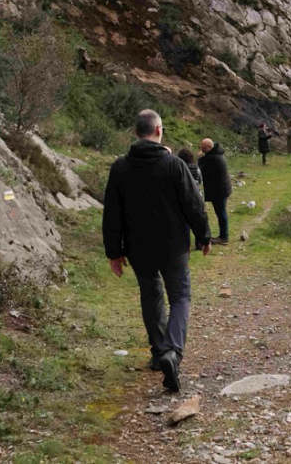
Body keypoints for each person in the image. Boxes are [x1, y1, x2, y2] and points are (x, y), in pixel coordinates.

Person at [103, 109, 210, 393]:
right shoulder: (174, 166)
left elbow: (112, 213)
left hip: (138, 248)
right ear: (159, 130)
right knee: (180, 297)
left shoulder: (120, 168)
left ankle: (158, 352)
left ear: (136, 133)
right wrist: (204, 236)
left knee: (151, 296)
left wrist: (114, 252)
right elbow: (194, 205)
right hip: (173, 246)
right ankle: (172, 352)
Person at [198, 137, 232, 245]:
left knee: (221, 213)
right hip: (221, 189)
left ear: (208, 147)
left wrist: (200, 158)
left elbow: (201, 169)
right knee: (221, 212)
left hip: (219, 190)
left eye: (203, 148)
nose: (201, 149)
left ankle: (224, 237)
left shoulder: (213, 158)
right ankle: (223, 235)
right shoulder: (216, 155)